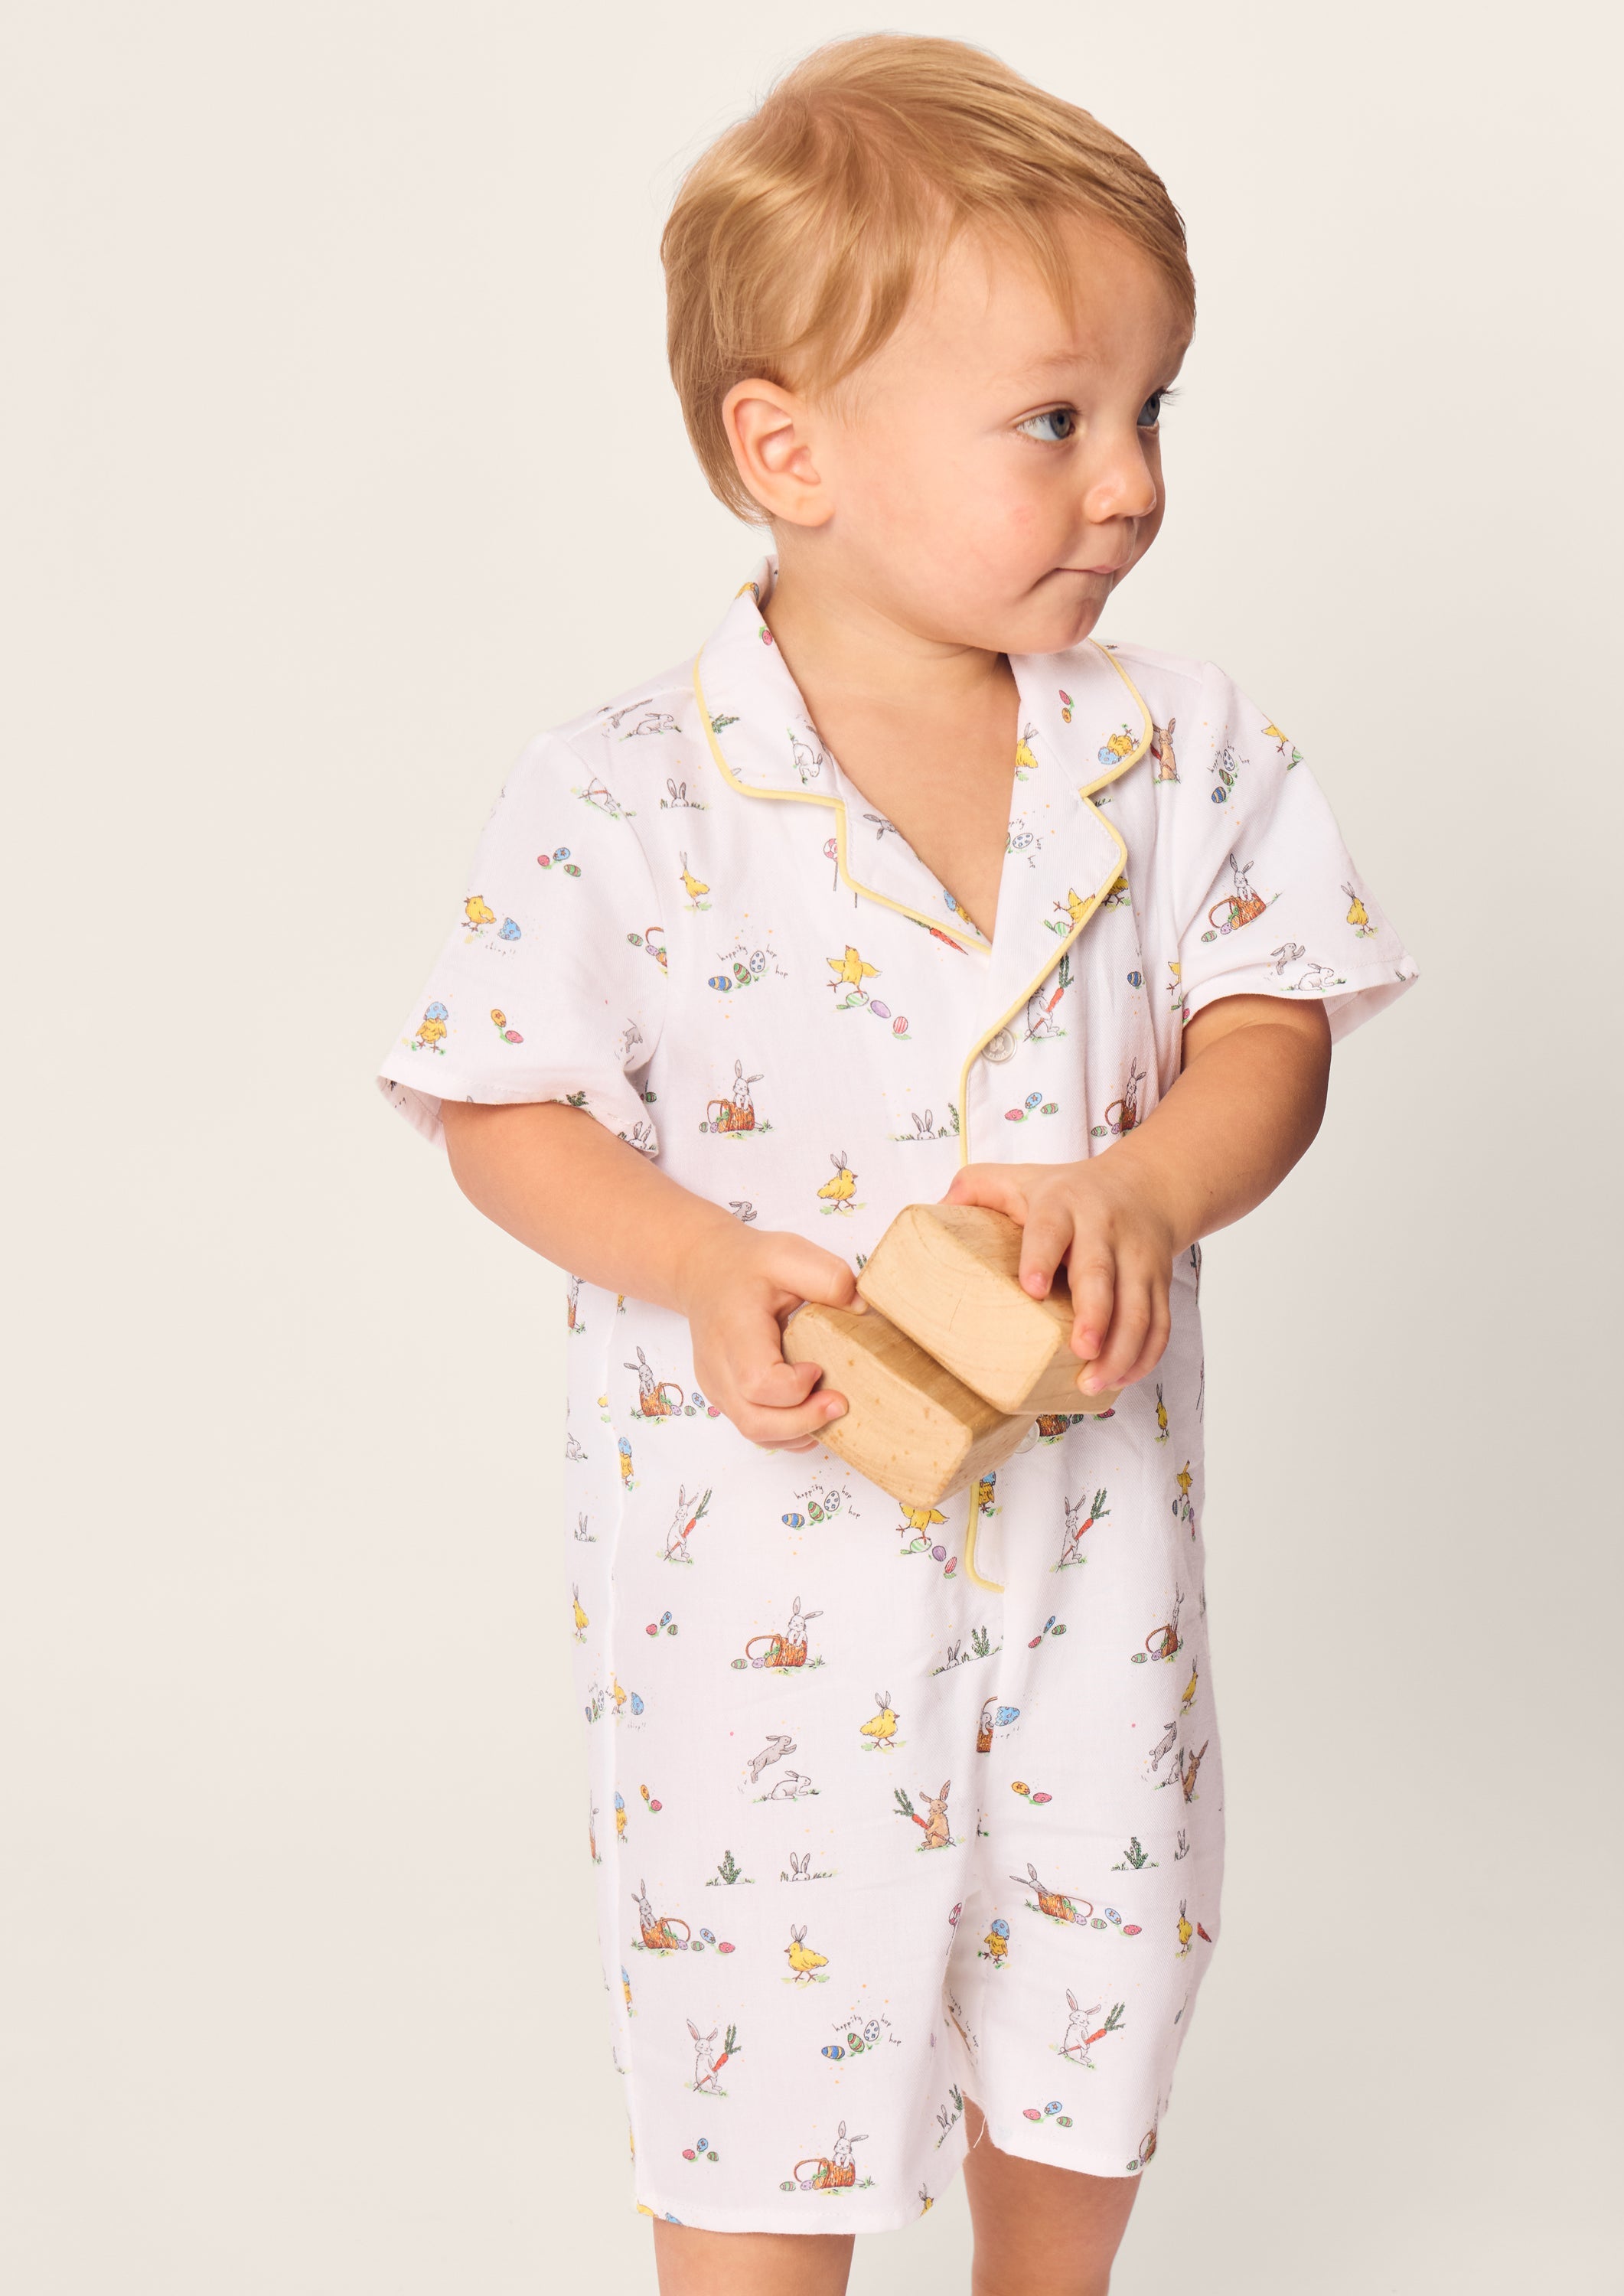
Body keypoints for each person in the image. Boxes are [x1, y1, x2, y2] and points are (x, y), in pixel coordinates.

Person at [377, 34, 1416, 2295]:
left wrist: (1144, 1184)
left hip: (1092, 1550)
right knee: (770, 2030)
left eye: (1153, 410)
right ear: (789, 447)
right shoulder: (625, 789)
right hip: (763, 1562)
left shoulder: (1182, 751)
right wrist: (697, 1255)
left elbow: (1271, 1028)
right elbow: (501, 1103)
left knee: (1099, 1968)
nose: (1127, 480)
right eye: (1056, 419)